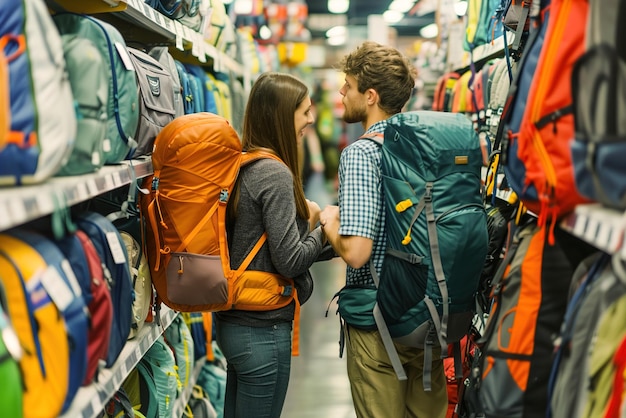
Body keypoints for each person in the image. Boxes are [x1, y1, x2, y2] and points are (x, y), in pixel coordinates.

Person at [319, 41, 448, 418]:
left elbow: (357, 251)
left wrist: (330, 222)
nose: (342, 93)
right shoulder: (429, 148)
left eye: (348, 85)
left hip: (377, 320)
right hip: (429, 311)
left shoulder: (361, 154)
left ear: (370, 96)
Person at [214, 72, 327, 418]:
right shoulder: (274, 173)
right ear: (281, 115)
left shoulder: (245, 162)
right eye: (304, 111)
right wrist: (323, 225)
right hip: (261, 330)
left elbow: (271, 245)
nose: (311, 119)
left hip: (235, 323)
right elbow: (291, 261)